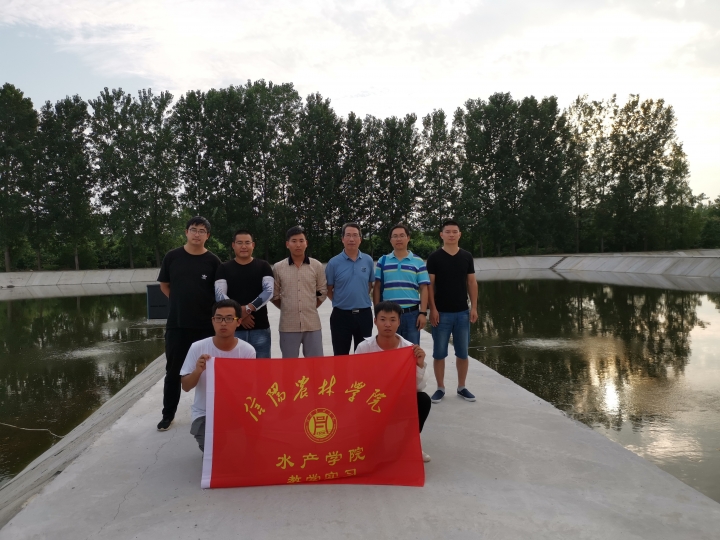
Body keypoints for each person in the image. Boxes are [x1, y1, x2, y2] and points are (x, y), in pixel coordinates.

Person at [156, 216, 222, 431]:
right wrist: (178, 302)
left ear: (207, 236)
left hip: (205, 326)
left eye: (202, 231)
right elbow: (164, 285)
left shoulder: (213, 261)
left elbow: (219, 292)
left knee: (210, 371)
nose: (197, 234)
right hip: (178, 325)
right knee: (173, 371)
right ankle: (168, 415)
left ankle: (214, 411)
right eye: (193, 229)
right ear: (186, 232)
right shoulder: (172, 257)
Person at [355, 301, 432, 462]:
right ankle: (370, 441)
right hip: (373, 399)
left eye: (392, 320)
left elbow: (418, 386)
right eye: (383, 319)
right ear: (375, 321)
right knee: (376, 454)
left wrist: (419, 365)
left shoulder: (409, 349)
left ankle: (410, 442)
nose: (387, 324)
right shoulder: (364, 348)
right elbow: (356, 381)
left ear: (399, 322)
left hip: (398, 398)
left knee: (423, 399)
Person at [180, 300, 256, 452]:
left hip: (235, 411)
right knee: (215, 452)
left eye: (229, 318)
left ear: (238, 322)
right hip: (205, 413)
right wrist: (197, 371)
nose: (223, 323)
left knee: (244, 448)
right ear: (212, 321)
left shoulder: (247, 351)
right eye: (219, 318)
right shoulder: (198, 348)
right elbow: (186, 386)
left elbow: (249, 390)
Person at [426, 219, 478, 404]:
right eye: (447, 232)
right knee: (439, 353)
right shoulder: (434, 257)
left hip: (462, 313)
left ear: (459, 234)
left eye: (455, 231)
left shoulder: (466, 256)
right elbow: (430, 285)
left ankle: (462, 387)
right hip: (441, 314)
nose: (451, 234)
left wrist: (474, 307)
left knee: (462, 353)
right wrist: (432, 309)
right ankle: (440, 388)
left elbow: (471, 282)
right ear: (441, 235)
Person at [214, 229, 274, 358]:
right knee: (234, 369)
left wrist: (247, 309)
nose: (244, 246)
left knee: (262, 368)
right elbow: (220, 295)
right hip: (233, 329)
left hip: (260, 328)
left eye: (247, 242)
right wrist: (238, 313)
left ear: (253, 245)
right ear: (233, 245)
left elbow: (268, 292)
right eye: (239, 242)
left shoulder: (263, 266)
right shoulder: (223, 268)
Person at [272, 226, 327, 358]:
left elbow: (322, 291)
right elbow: (274, 295)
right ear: (287, 244)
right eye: (294, 241)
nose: (298, 244)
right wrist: (287, 307)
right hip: (288, 325)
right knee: (290, 365)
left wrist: (310, 306)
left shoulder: (316, 266)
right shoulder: (278, 267)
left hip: (312, 324)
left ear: (306, 243)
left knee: (315, 364)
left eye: (301, 241)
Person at [373, 223, 430, 345]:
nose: (398, 239)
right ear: (390, 240)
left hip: (412, 315)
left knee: (411, 350)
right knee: (389, 350)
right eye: (395, 236)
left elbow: (424, 288)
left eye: (402, 235)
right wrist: (378, 313)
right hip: (388, 315)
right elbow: (377, 287)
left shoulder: (418, 262)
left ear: (408, 238)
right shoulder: (383, 261)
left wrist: (423, 313)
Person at [325, 222, 375, 355]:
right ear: (342, 239)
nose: (351, 239)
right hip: (341, 316)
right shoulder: (333, 263)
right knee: (340, 356)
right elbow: (329, 288)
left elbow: (369, 285)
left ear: (360, 239)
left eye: (355, 235)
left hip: (364, 315)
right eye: (348, 235)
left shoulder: (368, 260)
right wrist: (341, 301)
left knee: (363, 357)